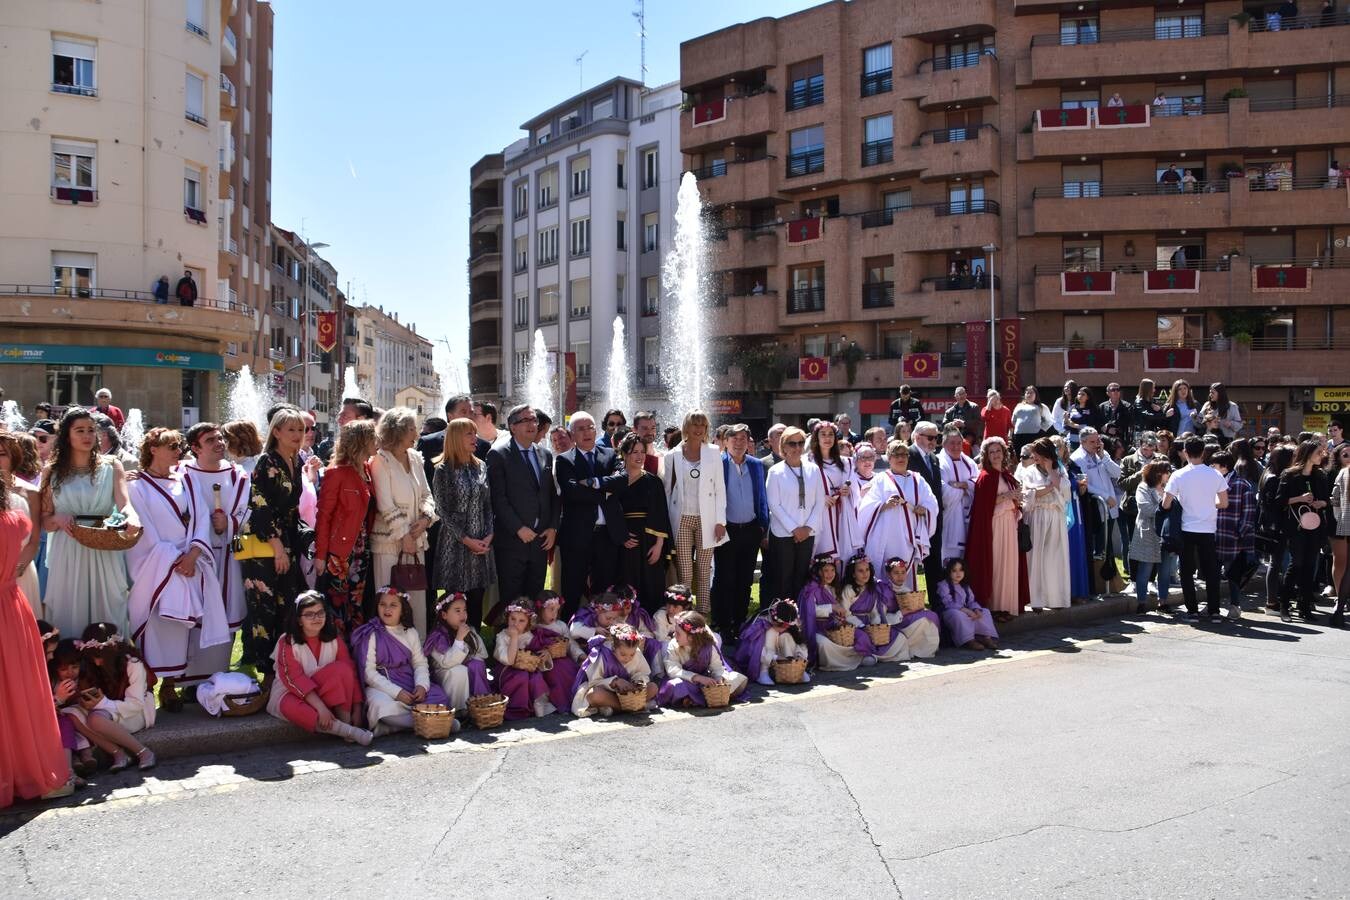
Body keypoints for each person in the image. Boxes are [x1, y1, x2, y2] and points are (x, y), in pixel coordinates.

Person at [125, 428, 227, 709]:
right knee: (157, 624)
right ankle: (149, 685)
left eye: (177, 446)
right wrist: (173, 560)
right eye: (169, 445)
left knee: (182, 627)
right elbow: (144, 530)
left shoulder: (187, 479)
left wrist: (193, 553)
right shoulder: (137, 486)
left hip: (189, 562)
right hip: (158, 565)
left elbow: (201, 519)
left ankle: (172, 684)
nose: (176, 450)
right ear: (152, 449)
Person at [1, 476, 73, 805]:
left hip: (10, 606)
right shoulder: (13, 515)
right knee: (16, 694)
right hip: (11, 608)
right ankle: (23, 770)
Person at [40, 408, 136, 637]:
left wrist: (132, 517)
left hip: (104, 547)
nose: (87, 435)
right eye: (80, 430)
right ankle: (69, 666)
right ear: (67, 435)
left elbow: (125, 503)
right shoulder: (51, 471)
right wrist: (56, 518)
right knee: (69, 609)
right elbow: (45, 521)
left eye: (91, 430)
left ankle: (114, 665)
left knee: (111, 606)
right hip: (68, 548)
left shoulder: (113, 465)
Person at [237, 407, 309, 679]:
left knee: (286, 605)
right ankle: (264, 672)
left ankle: (282, 669)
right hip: (262, 545)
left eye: (301, 429)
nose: (297, 435)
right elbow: (260, 507)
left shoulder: (297, 461)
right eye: (291, 429)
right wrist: (278, 547)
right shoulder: (267, 462)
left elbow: (293, 509)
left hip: (285, 543)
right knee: (263, 610)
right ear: (276, 432)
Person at [267, 592, 372, 745]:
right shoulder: (288, 641)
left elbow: (351, 673)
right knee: (292, 707)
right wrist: (321, 708)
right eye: (309, 614)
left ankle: (347, 721)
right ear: (299, 620)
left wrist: (357, 708)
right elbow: (294, 678)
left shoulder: (334, 638)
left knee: (343, 669)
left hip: (323, 692)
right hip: (289, 692)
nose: (316, 618)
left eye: (320, 613)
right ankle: (347, 731)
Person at [485, 405, 558, 616]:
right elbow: (498, 499)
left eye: (534, 420)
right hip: (512, 541)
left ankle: (531, 644)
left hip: (540, 540)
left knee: (535, 598)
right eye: (525, 420)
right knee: (512, 599)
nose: (532, 424)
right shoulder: (498, 454)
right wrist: (518, 528)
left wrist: (553, 527)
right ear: (512, 427)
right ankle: (509, 644)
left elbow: (552, 495)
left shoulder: (545, 454)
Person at [370, 408, 437, 635]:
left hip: (417, 540)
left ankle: (418, 656)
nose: (416, 433)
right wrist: (404, 535)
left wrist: (427, 518)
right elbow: (385, 504)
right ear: (397, 430)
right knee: (390, 603)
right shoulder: (380, 460)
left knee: (416, 603)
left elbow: (428, 494)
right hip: (389, 543)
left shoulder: (416, 458)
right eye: (411, 428)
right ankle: (392, 659)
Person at [555, 411, 629, 614]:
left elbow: (622, 480)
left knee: (605, 589)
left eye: (590, 427)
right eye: (580, 429)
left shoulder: (611, 454)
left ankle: (603, 634)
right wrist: (606, 493)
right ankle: (569, 633)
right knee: (572, 588)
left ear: (597, 430)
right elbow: (572, 492)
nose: (586, 432)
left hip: (607, 534)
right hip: (577, 535)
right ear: (572, 435)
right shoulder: (564, 460)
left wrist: (594, 483)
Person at [657, 410, 728, 615]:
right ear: (686, 427)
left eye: (702, 426)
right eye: (695, 425)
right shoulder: (672, 455)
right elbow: (668, 491)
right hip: (682, 519)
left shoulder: (714, 452)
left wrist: (720, 521)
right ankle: (684, 611)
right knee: (685, 572)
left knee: (705, 570)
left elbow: (719, 489)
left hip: (708, 519)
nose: (698, 429)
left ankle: (703, 614)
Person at [351, 587, 447, 735]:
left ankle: (392, 727)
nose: (387, 609)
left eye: (393, 605)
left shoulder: (410, 632)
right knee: (379, 704)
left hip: (409, 682)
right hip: (382, 686)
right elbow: (368, 673)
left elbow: (420, 663)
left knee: (438, 695)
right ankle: (428, 724)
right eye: (382, 604)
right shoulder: (372, 633)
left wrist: (421, 686)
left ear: (403, 610)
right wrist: (397, 693)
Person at [313, 420, 377, 638]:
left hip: (362, 548)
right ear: (361, 441)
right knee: (336, 606)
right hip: (339, 552)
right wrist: (321, 555)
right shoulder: (336, 472)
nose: (377, 441)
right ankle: (336, 653)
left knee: (356, 604)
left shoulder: (367, 469)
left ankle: (355, 650)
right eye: (372, 437)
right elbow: (323, 516)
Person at [432, 417, 496, 628]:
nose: (474, 438)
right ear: (455, 438)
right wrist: (467, 540)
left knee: (476, 600)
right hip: (456, 546)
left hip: (481, 545)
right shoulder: (443, 470)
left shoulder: (481, 466)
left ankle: (475, 650)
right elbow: (442, 511)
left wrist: (488, 535)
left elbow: (488, 505)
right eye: (469, 433)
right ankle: (451, 651)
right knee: (456, 603)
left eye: (475, 433)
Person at [1163, 437, 1230, 622]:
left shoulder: (1178, 475)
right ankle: (1214, 611)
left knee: (1186, 571)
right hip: (1208, 528)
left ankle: (1192, 611)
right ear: (1203, 452)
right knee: (1211, 571)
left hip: (1186, 527)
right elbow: (1223, 503)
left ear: (1185, 451)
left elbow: (1166, 504)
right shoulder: (1215, 474)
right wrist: (1208, 504)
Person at [709, 425, 767, 637]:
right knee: (724, 578)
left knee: (744, 579)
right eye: (733, 438)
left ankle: (739, 622)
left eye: (743, 438)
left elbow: (761, 497)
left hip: (751, 529)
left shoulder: (756, 465)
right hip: (726, 529)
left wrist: (763, 526)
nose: (738, 442)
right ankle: (721, 623)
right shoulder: (717, 464)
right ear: (725, 442)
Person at [964, 436, 1028, 620]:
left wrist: (1016, 498)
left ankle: (1007, 606)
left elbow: (1011, 497)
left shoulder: (1006, 474)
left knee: (1009, 563)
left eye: (998, 451)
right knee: (998, 564)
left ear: (1004, 453)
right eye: (991, 452)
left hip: (1010, 522)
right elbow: (984, 504)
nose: (995, 455)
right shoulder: (985, 476)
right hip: (995, 525)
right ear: (986, 455)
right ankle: (995, 607)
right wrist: (1008, 495)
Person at [859, 442, 938, 590]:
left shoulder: (918, 479)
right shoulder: (881, 479)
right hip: (886, 537)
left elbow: (932, 503)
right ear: (889, 458)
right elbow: (865, 507)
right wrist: (883, 505)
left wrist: (925, 509)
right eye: (896, 455)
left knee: (907, 576)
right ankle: (885, 607)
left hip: (909, 537)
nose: (900, 458)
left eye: (904, 455)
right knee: (885, 572)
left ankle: (908, 607)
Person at [764, 427, 825, 605]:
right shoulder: (775, 472)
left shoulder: (813, 469)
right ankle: (783, 619)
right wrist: (794, 529)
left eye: (800, 443)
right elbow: (774, 504)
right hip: (783, 534)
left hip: (808, 533)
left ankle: (801, 619)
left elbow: (820, 501)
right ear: (783, 446)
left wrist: (807, 528)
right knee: (783, 580)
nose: (797, 447)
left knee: (801, 578)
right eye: (792, 443)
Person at [616, 432, 673, 615]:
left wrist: (659, 544)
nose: (640, 456)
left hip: (649, 540)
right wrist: (621, 535)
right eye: (634, 452)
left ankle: (652, 624)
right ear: (624, 454)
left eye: (642, 451)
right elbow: (610, 512)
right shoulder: (615, 480)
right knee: (626, 581)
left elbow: (661, 513)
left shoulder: (653, 481)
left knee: (651, 581)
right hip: (624, 539)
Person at [1276, 440, 1331, 622]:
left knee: (1310, 566)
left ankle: (1304, 606)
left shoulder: (1320, 475)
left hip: (1315, 526)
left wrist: (1320, 503)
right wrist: (1300, 498)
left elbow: (1326, 500)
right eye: (1318, 452)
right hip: (1295, 526)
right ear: (1308, 454)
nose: (1321, 455)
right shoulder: (1290, 475)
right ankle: (1284, 604)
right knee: (1296, 564)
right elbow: (1279, 501)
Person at [1018, 437, 1071, 611]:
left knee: (1053, 555)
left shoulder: (1058, 469)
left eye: (1039, 454)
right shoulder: (1029, 471)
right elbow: (1030, 493)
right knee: (1036, 556)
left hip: (1054, 515)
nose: (1035, 457)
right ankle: (1036, 600)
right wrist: (1050, 487)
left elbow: (1064, 488)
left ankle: (1055, 598)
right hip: (1037, 515)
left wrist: (1050, 471)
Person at [657, 610, 748, 708]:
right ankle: (702, 698)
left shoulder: (708, 647)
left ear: (691, 637)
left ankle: (706, 697)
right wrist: (698, 678)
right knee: (675, 685)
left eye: (678, 633)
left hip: (706, 681)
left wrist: (719, 679)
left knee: (738, 678)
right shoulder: (673, 645)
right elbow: (672, 670)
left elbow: (717, 667)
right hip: (687, 681)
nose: (674, 635)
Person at [423, 593, 491, 716]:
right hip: (445, 674)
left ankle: (479, 703)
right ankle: (458, 711)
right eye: (457, 611)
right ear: (444, 615)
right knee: (459, 671)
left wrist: (472, 661)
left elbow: (482, 654)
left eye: (465, 610)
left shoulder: (469, 630)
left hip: (464, 671)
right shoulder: (437, 636)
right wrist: (459, 640)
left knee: (476, 664)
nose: (463, 614)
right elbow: (446, 662)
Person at [569, 623, 658, 717]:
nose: (628, 658)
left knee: (653, 687)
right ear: (614, 647)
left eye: (632, 654)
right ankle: (633, 707)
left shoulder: (636, 653)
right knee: (593, 694)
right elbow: (593, 682)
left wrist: (637, 682)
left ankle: (620, 708)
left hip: (630, 694)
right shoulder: (602, 655)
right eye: (623, 654)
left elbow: (642, 673)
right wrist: (615, 682)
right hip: (608, 692)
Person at [0, 432, 43, 613]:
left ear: (14, 457)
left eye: (2, 454)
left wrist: (14, 571)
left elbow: (34, 541)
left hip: (20, 573)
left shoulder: (30, 492)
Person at [1212, 450, 1257, 621]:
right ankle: (1212, 605)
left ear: (1224, 466)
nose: (1211, 468)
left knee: (1233, 575)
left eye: (1214, 465)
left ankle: (1235, 605)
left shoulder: (1241, 485)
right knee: (1212, 574)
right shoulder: (1212, 483)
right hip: (1213, 534)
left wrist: (1240, 533)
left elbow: (1249, 514)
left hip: (1233, 538)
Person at [493, 602, 555, 720]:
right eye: (513, 619)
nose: (516, 624)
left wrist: (546, 656)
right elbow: (509, 661)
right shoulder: (502, 636)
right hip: (506, 672)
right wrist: (514, 638)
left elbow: (536, 657)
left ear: (528, 623)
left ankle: (537, 706)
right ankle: (517, 709)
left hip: (527, 669)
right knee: (521, 676)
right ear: (507, 618)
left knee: (536, 677)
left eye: (522, 621)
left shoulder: (529, 636)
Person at [1129, 460, 1177, 611]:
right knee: (1145, 568)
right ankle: (1141, 602)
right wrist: (1165, 507)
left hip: (1166, 533)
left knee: (1165, 570)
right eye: (1166, 472)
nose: (1169, 475)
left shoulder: (1169, 487)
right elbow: (1145, 508)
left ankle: (1162, 602)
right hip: (1149, 533)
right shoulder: (1143, 487)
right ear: (1158, 473)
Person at [908, 421, 946, 600]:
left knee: (933, 563)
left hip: (934, 518)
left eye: (936, 437)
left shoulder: (934, 458)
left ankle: (933, 600)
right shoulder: (907, 455)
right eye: (930, 437)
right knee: (915, 564)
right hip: (915, 519)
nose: (934, 441)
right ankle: (917, 602)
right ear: (917, 437)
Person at [808, 422, 855, 562]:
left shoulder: (846, 462)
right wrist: (821, 497)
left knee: (842, 547)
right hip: (820, 512)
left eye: (830, 434)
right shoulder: (808, 461)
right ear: (816, 437)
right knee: (821, 548)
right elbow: (804, 488)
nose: (827, 438)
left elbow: (855, 485)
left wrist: (849, 490)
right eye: (823, 434)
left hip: (841, 512)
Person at [934, 558, 999, 651]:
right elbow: (948, 603)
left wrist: (976, 609)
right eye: (954, 570)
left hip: (965, 610)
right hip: (949, 612)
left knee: (985, 612)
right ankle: (969, 640)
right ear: (948, 571)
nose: (958, 573)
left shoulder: (965, 586)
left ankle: (985, 637)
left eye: (961, 570)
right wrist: (965, 610)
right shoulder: (943, 585)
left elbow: (971, 601)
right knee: (958, 615)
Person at [937, 427, 977, 564]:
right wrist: (966, 488)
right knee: (947, 559)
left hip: (967, 517)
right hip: (949, 517)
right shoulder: (939, 462)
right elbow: (943, 491)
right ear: (944, 444)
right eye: (952, 443)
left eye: (959, 443)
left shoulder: (970, 462)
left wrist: (960, 485)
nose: (956, 446)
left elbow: (977, 484)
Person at [1011, 386, 1053, 455]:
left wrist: (1041, 430)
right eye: (1027, 393)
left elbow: (1049, 421)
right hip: (1018, 436)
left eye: (1031, 393)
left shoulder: (1041, 406)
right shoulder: (1018, 406)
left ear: (1036, 395)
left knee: (1034, 455)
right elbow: (1013, 420)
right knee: (1020, 455)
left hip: (1034, 436)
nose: (1029, 395)